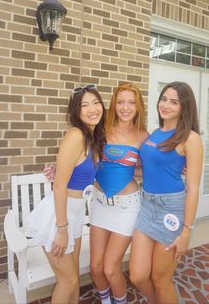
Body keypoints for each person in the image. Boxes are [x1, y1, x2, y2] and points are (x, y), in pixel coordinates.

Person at [25, 84, 106, 304]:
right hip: (59, 216)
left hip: (76, 213)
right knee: (67, 281)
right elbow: (59, 186)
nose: (92, 109)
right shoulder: (76, 134)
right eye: (84, 105)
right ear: (76, 112)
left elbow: (78, 172)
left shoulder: (93, 138)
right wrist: (62, 229)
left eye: (96, 103)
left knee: (73, 279)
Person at [129, 81, 203, 304]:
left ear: (184, 107)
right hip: (147, 206)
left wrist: (187, 231)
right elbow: (148, 172)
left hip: (171, 211)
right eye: (164, 99)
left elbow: (193, 188)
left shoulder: (191, 138)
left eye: (174, 102)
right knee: (138, 275)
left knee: (161, 280)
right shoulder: (154, 134)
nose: (166, 105)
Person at [90, 82, 148, 304]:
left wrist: (172, 168)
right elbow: (83, 156)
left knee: (111, 269)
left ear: (138, 106)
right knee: (95, 268)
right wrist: (60, 168)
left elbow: (146, 169)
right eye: (121, 102)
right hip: (100, 203)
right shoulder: (102, 128)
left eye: (131, 103)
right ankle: (106, 301)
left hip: (126, 206)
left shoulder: (144, 136)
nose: (125, 107)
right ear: (114, 104)